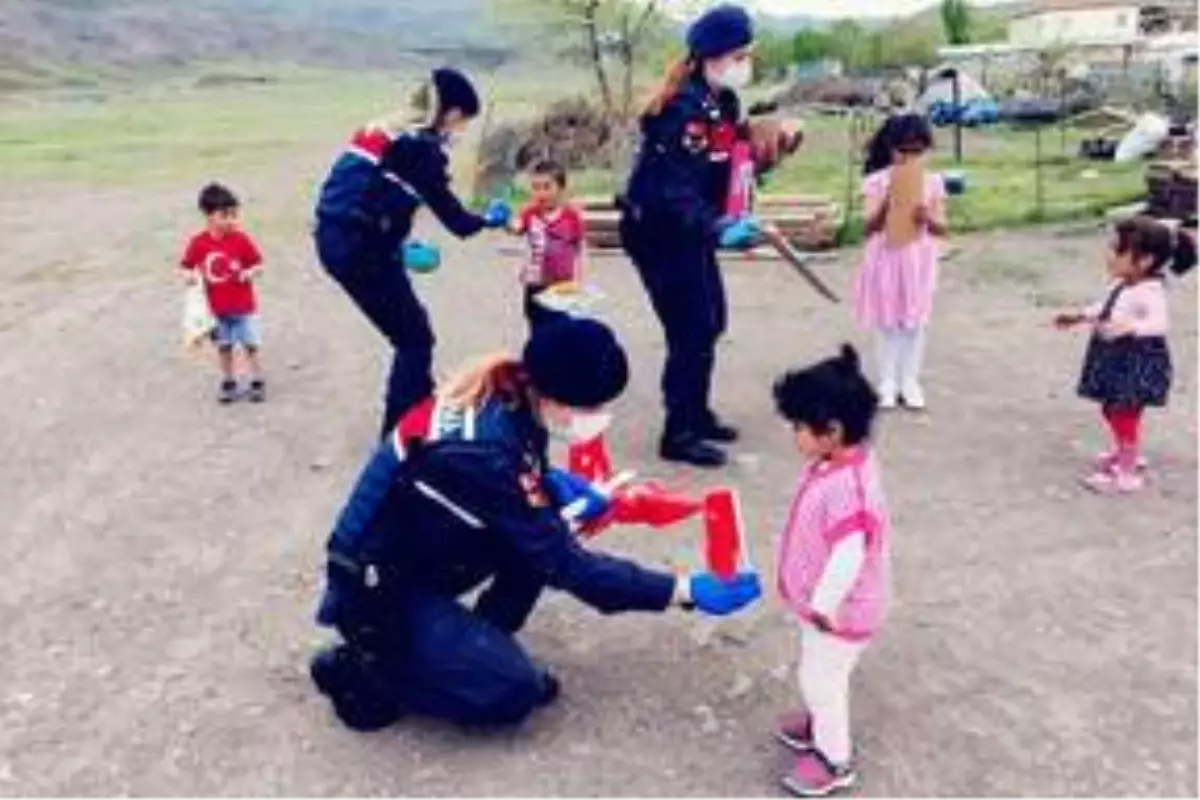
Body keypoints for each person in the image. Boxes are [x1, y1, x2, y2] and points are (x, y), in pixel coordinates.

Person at [309, 317, 762, 731]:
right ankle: (366, 670)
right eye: (591, 407)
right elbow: (565, 565)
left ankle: (473, 644)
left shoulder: (510, 396)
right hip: (375, 588)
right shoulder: (481, 449)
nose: (596, 418)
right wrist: (682, 591)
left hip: (420, 550)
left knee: (544, 533)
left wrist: (567, 490)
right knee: (511, 693)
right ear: (555, 396)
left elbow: (523, 481)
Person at [313, 67, 511, 437]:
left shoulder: (385, 128)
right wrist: (490, 218)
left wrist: (396, 241)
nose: (460, 131)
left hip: (336, 239)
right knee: (414, 339)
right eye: (463, 122)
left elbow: (366, 195)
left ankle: (420, 409)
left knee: (413, 328)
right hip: (362, 253)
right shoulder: (422, 149)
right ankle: (399, 436)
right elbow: (458, 223)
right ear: (451, 113)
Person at [619, 3, 756, 468]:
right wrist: (716, 225)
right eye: (739, 55)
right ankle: (678, 431)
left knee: (712, 321)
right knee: (691, 328)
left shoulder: (723, 104)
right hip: (657, 229)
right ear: (712, 55)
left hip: (688, 228)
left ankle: (696, 412)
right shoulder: (681, 110)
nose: (745, 64)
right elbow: (673, 188)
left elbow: (724, 169)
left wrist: (754, 180)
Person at [771, 345, 891, 798]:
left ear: (833, 430)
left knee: (822, 680)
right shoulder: (840, 460)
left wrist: (824, 605)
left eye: (799, 426)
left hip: (839, 612)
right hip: (824, 607)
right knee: (816, 668)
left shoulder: (849, 487)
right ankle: (821, 724)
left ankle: (833, 758)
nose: (794, 435)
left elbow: (849, 554)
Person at [1054, 216, 1194, 494]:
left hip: (1136, 361)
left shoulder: (1150, 290)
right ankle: (1125, 453)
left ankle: (1127, 473)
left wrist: (1131, 326)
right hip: (1115, 358)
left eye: (1117, 249)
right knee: (1112, 408)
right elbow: (1104, 306)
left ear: (1144, 261)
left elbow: (1160, 324)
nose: (1109, 256)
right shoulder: (1124, 284)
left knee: (1123, 412)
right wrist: (1080, 316)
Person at [854, 113, 947, 411]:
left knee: (915, 322)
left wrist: (926, 217)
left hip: (918, 260)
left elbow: (942, 227)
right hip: (885, 257)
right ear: (890, 147)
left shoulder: (932, 183)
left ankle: (910, 379)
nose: (908, 157)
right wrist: (886, 205)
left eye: (916, 151)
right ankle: (887, 381)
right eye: (902, 150)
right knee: (887, 321)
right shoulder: (876, 182)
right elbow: (866, 227)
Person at [179, 183, 266, 404]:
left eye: (234, 215)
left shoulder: (240, 239)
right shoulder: (198, 243)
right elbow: (185, 266)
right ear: (208, 216)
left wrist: (249, 273)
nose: (231, 220)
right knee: (224, 347)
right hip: (216, 311)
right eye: (224, 215)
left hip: (244, 307)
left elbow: (258, 264)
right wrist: (187, 276)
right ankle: (229, 381)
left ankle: (257, 380)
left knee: (250, 345)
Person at [510, 159, 588, 331]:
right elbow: (516, 229)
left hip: (562, 283)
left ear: (560, 188)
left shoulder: (571, 216)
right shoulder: (529, 213)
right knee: (536, 322)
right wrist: (504, 222)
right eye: (536, 187)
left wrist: (580, 279)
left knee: (561, 326)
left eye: (547, 187)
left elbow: (580, 249)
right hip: (535, 282)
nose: (541, 193)